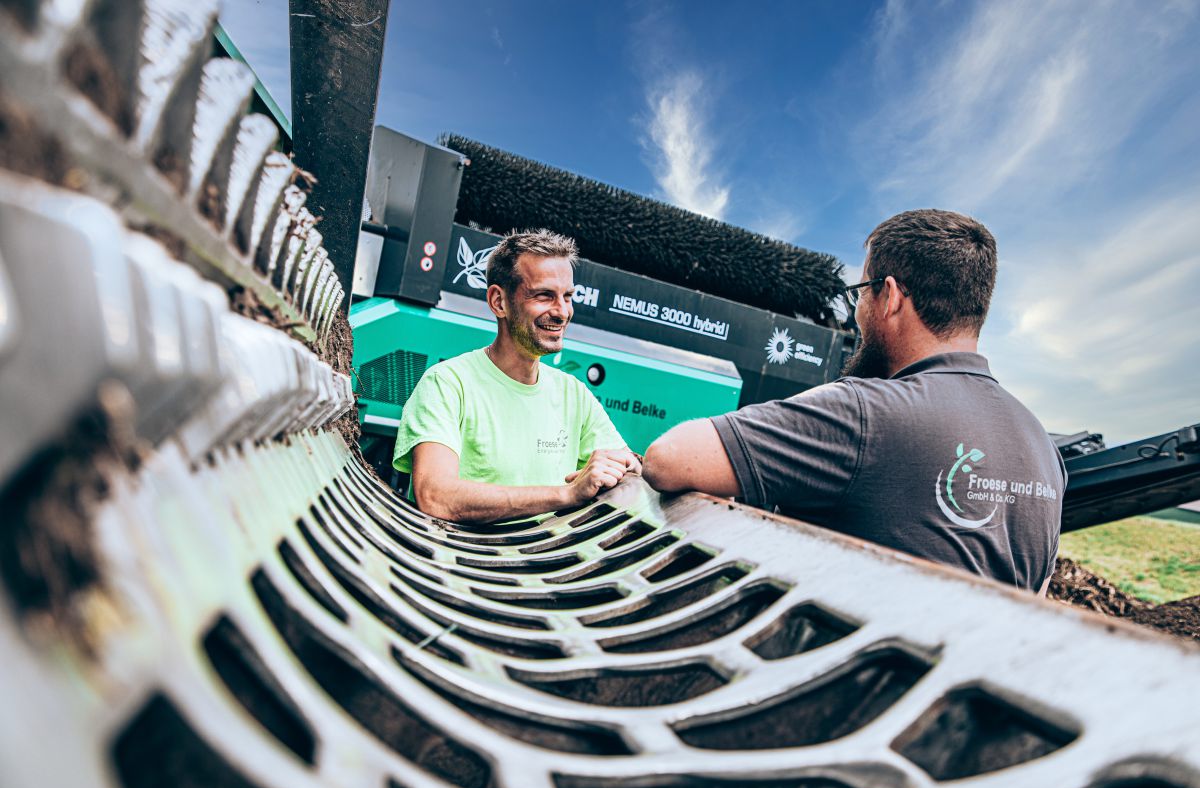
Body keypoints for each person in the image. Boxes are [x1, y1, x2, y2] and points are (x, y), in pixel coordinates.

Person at [642, 209, 1064, 593]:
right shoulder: (1044, 449)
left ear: (891, 297)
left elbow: (669, 459)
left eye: (861, 292)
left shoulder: (865, 412)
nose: (858, 311)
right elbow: (1038, 595)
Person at [393, 229, 638, 524]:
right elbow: (436, 497)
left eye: (568, 297)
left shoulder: (573, 394)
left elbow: (630, 470)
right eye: (544, 295)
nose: (562, 312)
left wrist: (624, 467)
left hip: (544, 553)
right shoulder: (446, 384)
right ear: (499, 301)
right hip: (460, 552)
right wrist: (566, 494)